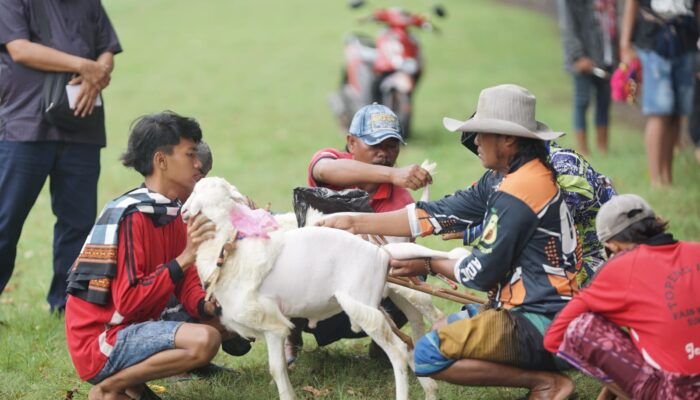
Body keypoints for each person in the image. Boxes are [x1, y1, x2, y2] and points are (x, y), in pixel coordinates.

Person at [319, 84, 581, 399]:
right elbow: (437, 214)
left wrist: (428, 263)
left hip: (540, 321)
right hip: (549, 314)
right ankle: (545, 373)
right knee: (440, 331)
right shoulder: (513, 178)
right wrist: (355, 221)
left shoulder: (517, 191)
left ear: (509, 139)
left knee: (428, 354)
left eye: (482, 133)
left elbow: (480, 273)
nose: (475, 142)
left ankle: (547, 383)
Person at [64, 112, 227, 400]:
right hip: (102, 340)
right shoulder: (132, 216)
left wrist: (209, 305)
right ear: (161, 161)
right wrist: (184, 259)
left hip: (134, 329)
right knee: (205, 340)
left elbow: (186, 282)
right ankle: (109, 387)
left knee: (223, 321)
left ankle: (130, 388)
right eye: (190, 154)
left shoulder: (172, 211)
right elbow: (127, 301)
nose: (198, 164)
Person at [285, 103, 432, 363]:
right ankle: (290, 335)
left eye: (391, 146)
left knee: (411, 272)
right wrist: (393, 174)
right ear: (351, 143)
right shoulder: (331, 163)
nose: (384, 154)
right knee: (286, 255)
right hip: (312, 282)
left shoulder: (402, 202)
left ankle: (385, 338)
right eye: (375, 145)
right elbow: (322, 169)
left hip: (364, 289)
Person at [0, 0, 122, 312]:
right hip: (25, 126)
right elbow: (20, 49)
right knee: (6, 220)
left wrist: (101, 69)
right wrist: (84, 66)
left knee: (78, 223)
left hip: (82, 126)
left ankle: (70, 306)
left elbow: (106, 46)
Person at [544, 194, 700, 399]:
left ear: (612, 246)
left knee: (581, 327)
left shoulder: (619, 268)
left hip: (680, 392)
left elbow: (555, 337)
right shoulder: (695, 250)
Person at [458, 137, 617, 286]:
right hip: (558, 262)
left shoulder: (564, 164)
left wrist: (477, 231)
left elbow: (544, 218)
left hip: (600, 259)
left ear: (509, 142)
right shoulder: (509, 176)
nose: (477, 142)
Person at [620, 0, 699, 187]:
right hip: (654, 39)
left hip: (685, 38)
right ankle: (656, 179)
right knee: (660, 111)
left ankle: (667, 176)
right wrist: (625, 44)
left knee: (676, 113)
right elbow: (632, 3)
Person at [556, 0, 618, 156]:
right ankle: (583, 150)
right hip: (582, 57)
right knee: (582, 101)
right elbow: (567, 26)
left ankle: (603, 149)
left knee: (604, 101)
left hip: (606, 56)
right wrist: (578, 55)